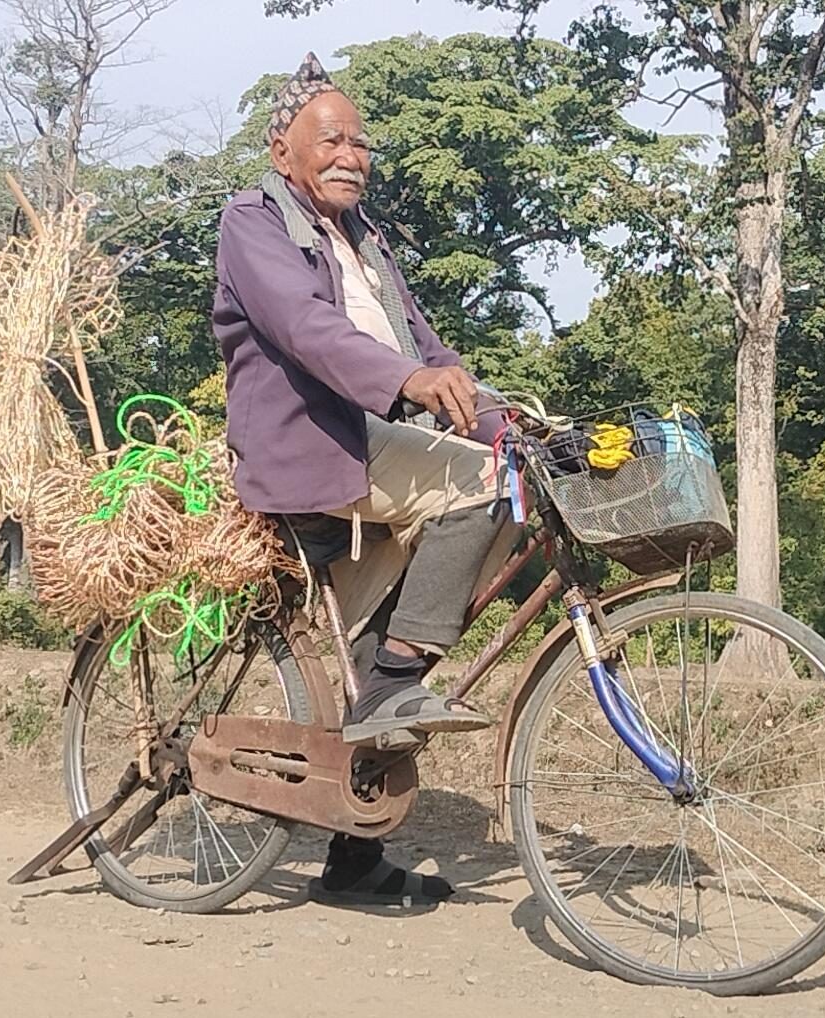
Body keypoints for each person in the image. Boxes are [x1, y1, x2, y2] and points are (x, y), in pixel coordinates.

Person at [210, 53, 513, 906]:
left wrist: (503, 415)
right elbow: (307, 330)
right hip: (311, 448)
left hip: (375, 449)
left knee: (515, 475)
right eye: (330, 140)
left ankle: (351, 857)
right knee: (485, 489)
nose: (351, 155)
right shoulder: (253, 224)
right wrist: (412, 387)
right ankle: (394, 677)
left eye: (361, 142)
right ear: (284, 152)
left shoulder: (366, 240)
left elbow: (428, 351)